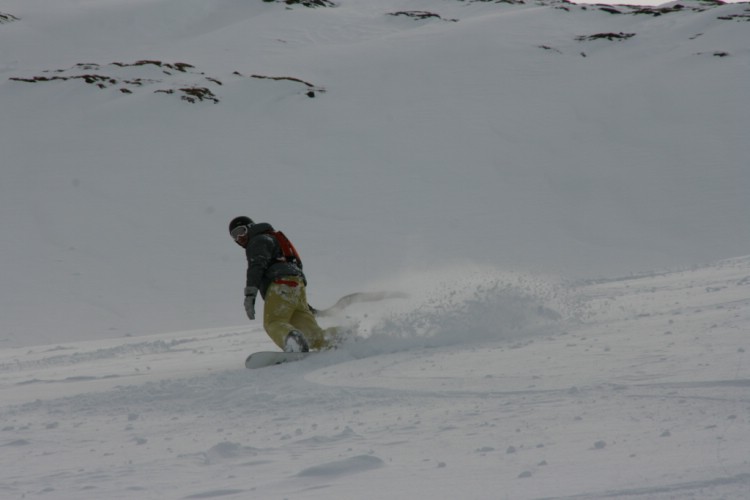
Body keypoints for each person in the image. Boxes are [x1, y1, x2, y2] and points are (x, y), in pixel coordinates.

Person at [229, 216, 338, 352]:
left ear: (250, 228)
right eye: (234, 235)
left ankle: (293, 343)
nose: (239, 237)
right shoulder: (274, 240)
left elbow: (256, 266)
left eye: (241, 231)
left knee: (274, 322)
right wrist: (302, 304)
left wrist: (250, 295)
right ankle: (339, 337)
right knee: (314, 337)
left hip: (279, 284)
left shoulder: (258, 240)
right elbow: (295, 267)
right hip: (296, 286)